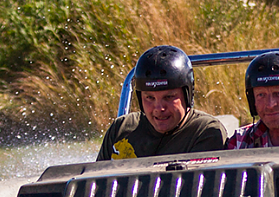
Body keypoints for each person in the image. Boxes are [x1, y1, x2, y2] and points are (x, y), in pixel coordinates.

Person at [97, 45, 227, 161]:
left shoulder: (206, 131)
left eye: (169, 97)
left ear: (187, 95)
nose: (159, 108)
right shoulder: (121, 128)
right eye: (149, 98)